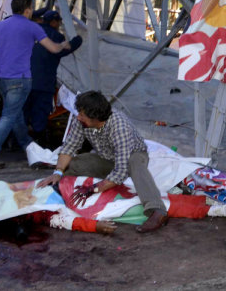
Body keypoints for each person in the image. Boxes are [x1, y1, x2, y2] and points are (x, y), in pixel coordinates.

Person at [37, 91, 169, 233]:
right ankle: (61, 195)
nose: (78, 117)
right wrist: (58, 172)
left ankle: (157, 211)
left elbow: (120, 172)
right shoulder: (81, 120)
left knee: (135, 163)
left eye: (82, 115)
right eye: (79, 113)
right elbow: (69, 147)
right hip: (105, 158)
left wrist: (93, 189)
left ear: (95, 118)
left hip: (131, 156)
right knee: (72, 164)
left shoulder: (120, 126)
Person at [0, 0, 71, 170]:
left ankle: (30, 148)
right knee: (9, 117)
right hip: (20, 78)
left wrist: (2, 55)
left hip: (2, 78)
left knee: (16, 116)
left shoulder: (0, 25)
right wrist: (64, 45)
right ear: (28, 10)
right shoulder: (32, 27)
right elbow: (52, 48)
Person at [24, 10, 82, 147]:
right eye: (59, 22)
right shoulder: (55, 36)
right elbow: (65, 49)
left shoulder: (30, 33)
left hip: (23, 80)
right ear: (54, 22)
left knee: (23, 111)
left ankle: (17, 142)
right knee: (40, 111)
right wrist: (77, 40)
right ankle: (38, 142)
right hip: (44, 82)